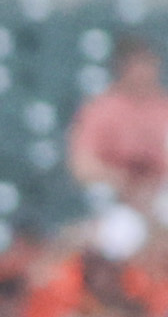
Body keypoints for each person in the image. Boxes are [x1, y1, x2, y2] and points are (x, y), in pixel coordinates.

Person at [69, 38, 168, 207]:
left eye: (148, 64)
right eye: (137, 66)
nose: (144, 72)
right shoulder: (101, 109)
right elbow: (82, 165)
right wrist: (119, 179)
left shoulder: (163, 108)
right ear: (122, 68)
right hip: (116, 196)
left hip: (159, 192)